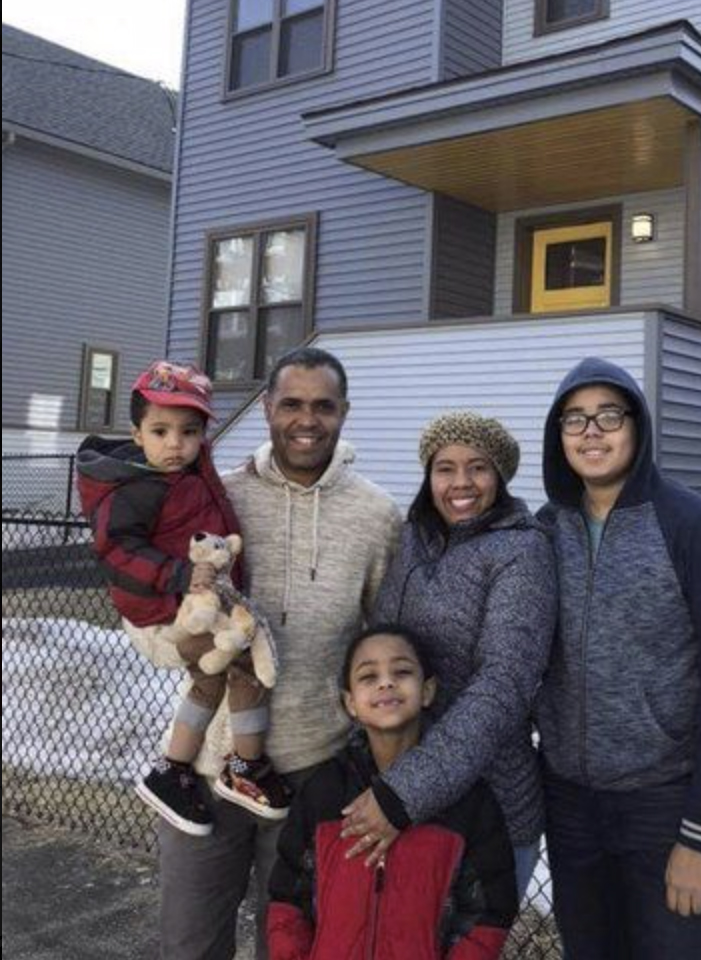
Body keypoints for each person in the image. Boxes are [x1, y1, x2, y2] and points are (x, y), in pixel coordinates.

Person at [155, 347, 401, 960]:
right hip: (209, 771)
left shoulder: (377, 516)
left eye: (323, 405)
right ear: (268, 408)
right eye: (291, 403)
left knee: (294, 946)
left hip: (316, 774)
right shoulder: (218, 495)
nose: (306, 419)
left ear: (344, 412)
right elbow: (167, 610)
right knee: (188, 943)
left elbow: (383, 637)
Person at [535, 358, 701, 957]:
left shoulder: (692, 526)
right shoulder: (546, 530)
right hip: (572, 808)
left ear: (637, 426)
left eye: (608, 415)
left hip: (666, 806)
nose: (591, 432)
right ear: (557, 436)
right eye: (574, 419)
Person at [346, 412, 557, 902]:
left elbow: (504, 681)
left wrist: (406, 791)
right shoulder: (412, 542)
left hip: (488, 803)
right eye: (445, 468)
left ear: (499, 477)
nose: (460, 482)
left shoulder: (521, 551)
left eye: (478, 467)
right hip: (396, 791)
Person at [76, 360, 290, 834]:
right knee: (242, 666)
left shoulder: (191, 469)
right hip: (166, 607)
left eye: (188, 431)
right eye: (161, 431)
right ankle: (246, 768)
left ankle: (173, 769)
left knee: (209, 681)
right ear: (137, 434)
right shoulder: (135, 488)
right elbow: (114, 551)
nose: (175, 444)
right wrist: (177, 575)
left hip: (197, 598)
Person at [266, 625, 518, 959]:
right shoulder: (325, 790)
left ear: (427, 690)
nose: (386, 682)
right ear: (350, 702)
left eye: (401, 671)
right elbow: (289, 896)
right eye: (368, 676)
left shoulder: (468, 800)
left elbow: (487, 912)